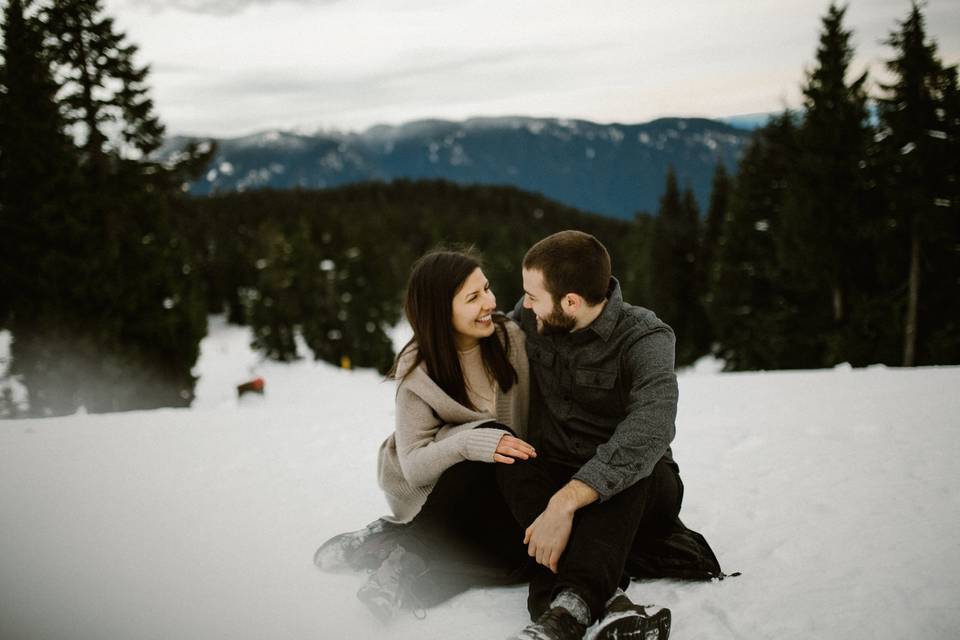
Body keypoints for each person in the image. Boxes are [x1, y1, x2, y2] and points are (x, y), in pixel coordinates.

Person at [500, 230, 722, 640]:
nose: (524, 303)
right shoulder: (532, 317)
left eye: (532, 295)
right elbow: (485, 337)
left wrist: (565, 502)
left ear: (571, 302)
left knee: (631, 467)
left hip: (643, 486)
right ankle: (606, 605)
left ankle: (571, 609)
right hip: (556, 469)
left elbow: (651, 427)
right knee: (506, 453)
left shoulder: (644, 336)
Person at [314, 249, 537, 622]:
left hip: (500, 486)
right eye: (473, 297)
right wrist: (472, 441)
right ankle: (407, 554)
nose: (490, 302)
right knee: (489, 440)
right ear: (440, 311)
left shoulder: (510, 339)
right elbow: (415, 465)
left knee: (519, 562)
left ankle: (394, 546)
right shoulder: (419, 369)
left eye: (487, 288)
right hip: (431, 489)